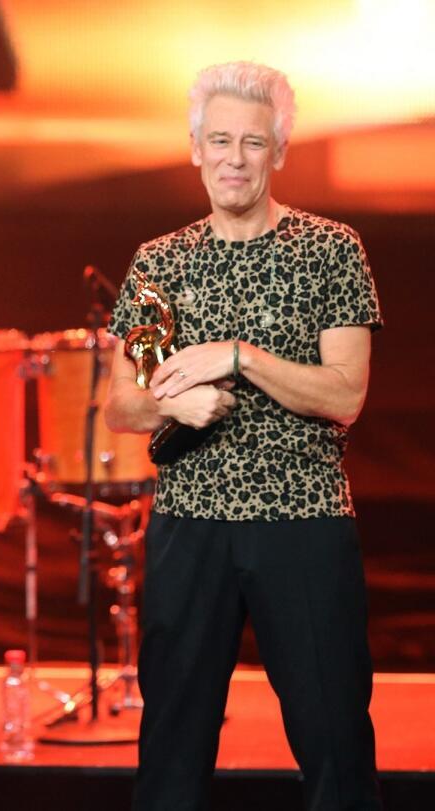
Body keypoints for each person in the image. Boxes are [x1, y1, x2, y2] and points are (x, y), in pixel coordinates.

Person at [104, 62, 383, 809]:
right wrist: (176, 405)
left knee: (336, 747)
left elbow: (347, 394)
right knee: (172, 747)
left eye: (252, 142)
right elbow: (118, 405)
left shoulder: (330, 249)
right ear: (194, 148)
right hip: (189, 526)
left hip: (305, 521)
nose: (234, 157)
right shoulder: (158, 261)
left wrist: (241, 359)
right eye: (219, 139)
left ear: (279, 152)